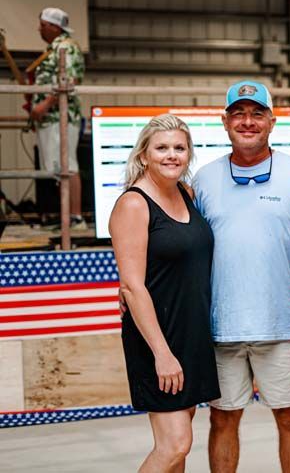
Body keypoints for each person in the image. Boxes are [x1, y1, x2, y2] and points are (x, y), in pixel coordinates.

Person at [192, 81, 290, 473]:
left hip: (282, 324)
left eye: (257, 113)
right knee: (223, 418)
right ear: (225, 122)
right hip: (221, 325)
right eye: (239, 113)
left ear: (272, 121)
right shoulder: (203, 179)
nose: (248, 121)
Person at [110, 114, 220, 472]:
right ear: (144, 154)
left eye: (179, 148)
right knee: (175, 444)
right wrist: (162, 354)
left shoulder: (186, 194)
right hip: (158, 336)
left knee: (179, 447)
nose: (171, 155)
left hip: (191, 332)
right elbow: (132, 285)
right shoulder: (134, 204)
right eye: (161, 148)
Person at [30, 7, 86, 228]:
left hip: (59, 116)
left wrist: (45, 104)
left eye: (42, 25)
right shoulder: (55, 48)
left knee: (67, 165)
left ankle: (75, 216)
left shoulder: (65, 48)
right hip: (52, 117)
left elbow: (69, 80)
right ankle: (68, 216)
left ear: (54, 26)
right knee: (57, 166)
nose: (39, 29)